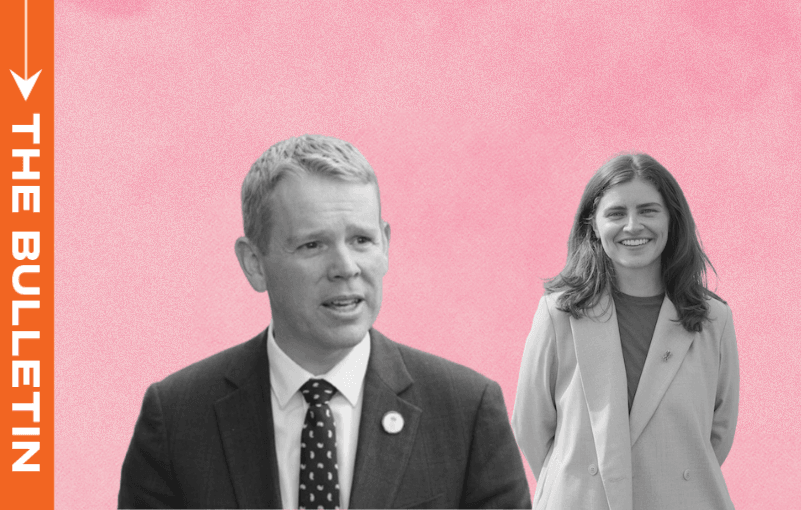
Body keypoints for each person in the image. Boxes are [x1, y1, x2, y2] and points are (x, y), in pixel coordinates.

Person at [119, 134, 531, 509]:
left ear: (385, 245)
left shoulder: (466, 411)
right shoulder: (177, 419)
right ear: (254, 263)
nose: (345, 267)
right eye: (312, 244)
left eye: (361, 240)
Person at [512, 153, 739, 510]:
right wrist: (576, 486)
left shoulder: (712, 319)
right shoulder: (559, 314)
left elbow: (717, 432)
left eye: (648, 210)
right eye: (616, 213)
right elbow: (530, 424)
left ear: (672, 220)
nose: (633, 226)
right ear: (594, 226)